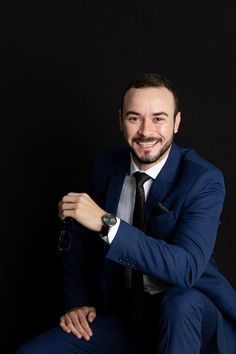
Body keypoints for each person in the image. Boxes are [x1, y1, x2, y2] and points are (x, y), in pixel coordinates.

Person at [16, 73, 236, 354]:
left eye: (158, 118)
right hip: (125, 318)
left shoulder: (203, 179)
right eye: (135, 118)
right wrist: (77, 302)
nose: (146, 131)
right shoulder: (105, 167)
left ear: (176, 123)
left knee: (181, 302)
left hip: (189, 317)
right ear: (121, 120)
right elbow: (78, 240)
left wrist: (108, 225)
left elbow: (187, 268)